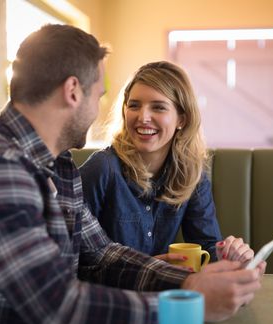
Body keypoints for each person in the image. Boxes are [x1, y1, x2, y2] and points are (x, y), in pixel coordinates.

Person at [0, 25, 265, 324]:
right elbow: (57, 310)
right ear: (74, 91)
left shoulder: (58, 167)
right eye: (100, 92)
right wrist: (187, 305)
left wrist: (193, 282)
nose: (101, 106)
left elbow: (101, 255)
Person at [80, 61, 252, 265]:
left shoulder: (192, 175)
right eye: (134, 105)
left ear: (182, 120)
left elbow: (206, 246)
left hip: (163, 292)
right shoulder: (102, 168)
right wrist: (147, 268)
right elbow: (78, 256)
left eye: (158, 107)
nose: (143, 117)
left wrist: (231, 256)